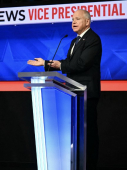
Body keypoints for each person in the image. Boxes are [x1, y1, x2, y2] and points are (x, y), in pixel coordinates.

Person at [28, 9, 102, 169]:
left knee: (88, 135)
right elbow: (68, 63)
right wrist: (46, 63)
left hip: (87, 93)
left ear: (87, 22)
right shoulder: (74, 41)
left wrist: (59, 65)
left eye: (77, 19)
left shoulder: (93, 39)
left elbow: (81, 64)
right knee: (76, 135)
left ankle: (90, 166)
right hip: (74, 93)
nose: (73, 22)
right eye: (72, 19)